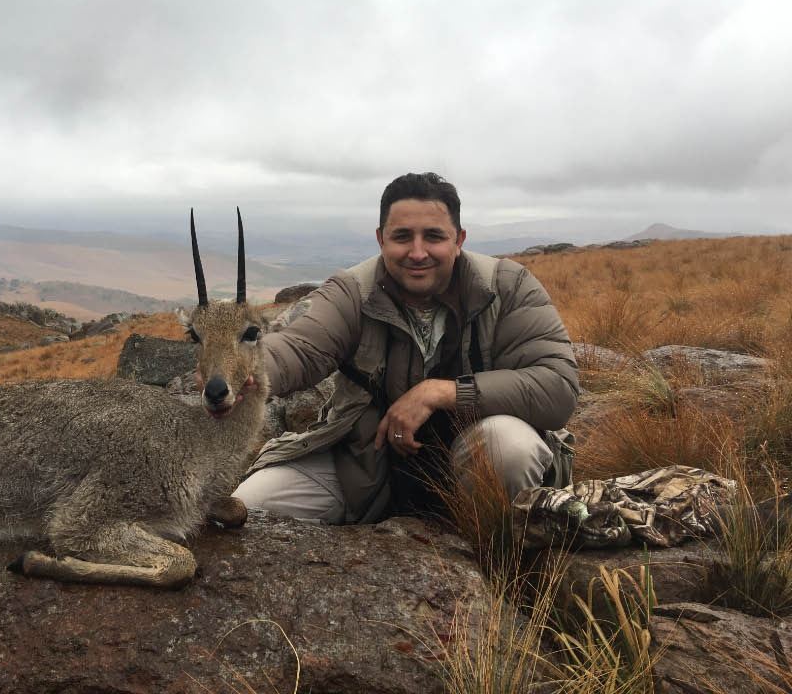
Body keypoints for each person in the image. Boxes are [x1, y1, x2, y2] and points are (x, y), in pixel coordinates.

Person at [233, 172, 580, 524]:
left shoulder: (507, 287)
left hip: (477, 461)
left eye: (433, 236)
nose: (417, 253)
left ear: (459, 239)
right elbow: (298, 347)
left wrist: (439, 393)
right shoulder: (353, 291)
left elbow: (557, 386)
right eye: (402, 237)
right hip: (368, 465)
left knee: (510, 448)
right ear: (381, 239)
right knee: (249, 504)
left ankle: (498, 553)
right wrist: (238, 371)